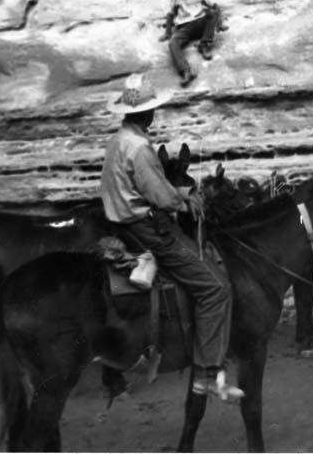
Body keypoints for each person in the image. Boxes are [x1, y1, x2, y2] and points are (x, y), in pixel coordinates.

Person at [100, 73, 243, 400]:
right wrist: (186, 199)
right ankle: (207, 374)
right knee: (217, 288)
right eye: (152, 110)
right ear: (146, 113)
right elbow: (162, 198)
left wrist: (174, 192)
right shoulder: (140, 148)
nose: (153, 115)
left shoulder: (118, 140)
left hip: (121, 224)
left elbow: (142, 187)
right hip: (149, 230)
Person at [161, 0, 228, 87]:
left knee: (211, 13)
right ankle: (186, 71)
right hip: (184, 27)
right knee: (173, 43)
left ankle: (204, 44)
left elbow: (215, 7)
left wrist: (220, 23)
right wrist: (167, 32)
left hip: (200, 23)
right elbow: (170, 14)